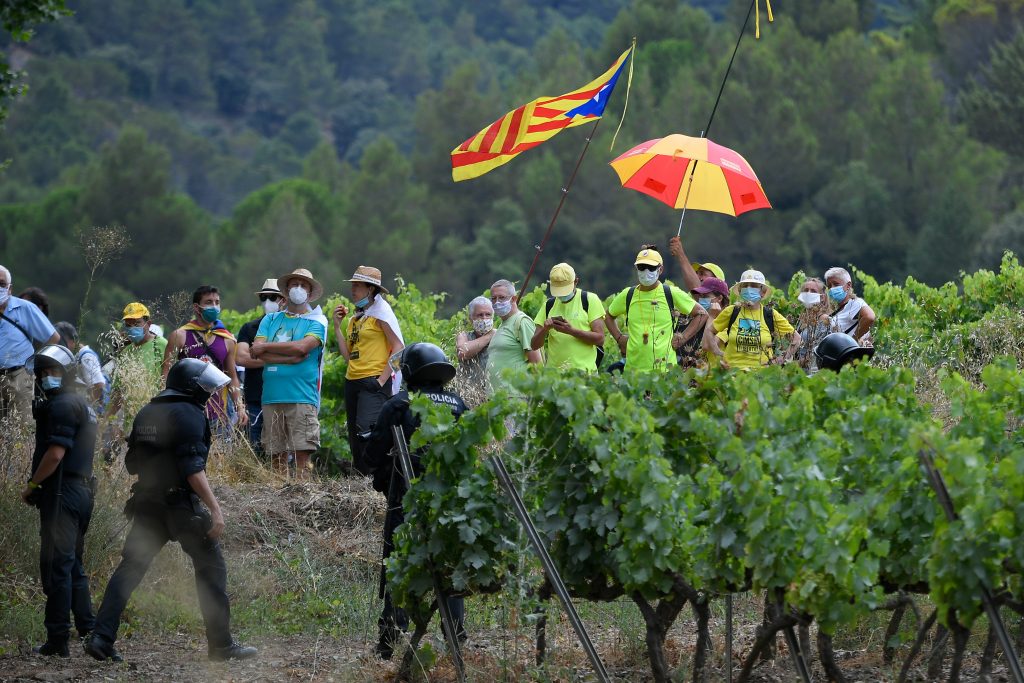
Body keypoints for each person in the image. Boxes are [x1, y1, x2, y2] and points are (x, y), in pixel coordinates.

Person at [84, 359, 257, 664]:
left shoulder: (147, 412)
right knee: (211, 569)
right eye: (204, 387)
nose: (208, 392)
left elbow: (132, 464)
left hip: (148, 505)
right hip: (180, 508)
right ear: (191, 386)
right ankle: (221, 646)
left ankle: (101, 638)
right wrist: (215, 510)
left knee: (130, 569)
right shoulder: (190, 414)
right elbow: (193, 469)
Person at [363, 343, 468, 660]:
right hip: (449, 499)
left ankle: (389, 640)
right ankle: (456, 638)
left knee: (400, 566)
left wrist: (380, 473)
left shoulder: (399, 405)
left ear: (408, 371)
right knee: (449, 567)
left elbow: (372, 454)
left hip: (406, 499)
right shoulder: (459, 404)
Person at [20, 345, 97, 657]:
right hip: (82, 491)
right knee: (73, 564)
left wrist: (33, 484)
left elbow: (55, 453)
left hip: (63, 493)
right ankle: (88, 628)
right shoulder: (83, 404)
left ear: (64, 373)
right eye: (41, 372)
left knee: (57, 566)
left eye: (50, 371)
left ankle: (58, 640)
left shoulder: (63, 405)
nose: (44, 377)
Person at [251, 268, 328, 478]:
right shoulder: (270, 320)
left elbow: (302, 348)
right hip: (271, 397)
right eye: (294, 285)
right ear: (286, 290)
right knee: (276, 457)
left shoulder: (317, 321)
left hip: (301, 397)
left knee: (303, 457)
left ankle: (304, 501)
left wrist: (268, 349)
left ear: (310, 294)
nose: (298, 289)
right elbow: (256, 350)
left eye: (303, 286)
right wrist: (291, 359)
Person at [333, 266, 405, 475]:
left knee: (368, 430)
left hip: (374, 381)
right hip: (353, 379)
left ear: (371, 289)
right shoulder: (357, 319)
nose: (352, 290)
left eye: (357, 285)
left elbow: (399, 348)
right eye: (353, 285)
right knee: (355, 434)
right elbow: (349, 356)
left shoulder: (382, 315)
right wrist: (337, 327)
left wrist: (382, 381)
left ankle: (376, 477)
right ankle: (360, 477)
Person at [604, 246, 705, 373]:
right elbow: (608, 316)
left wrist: (683, 338)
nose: (646, 271)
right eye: (641, 267)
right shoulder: (628, 294)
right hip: (633, 372)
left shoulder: (670, 292)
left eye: (651, 268)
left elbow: (701, 314)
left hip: (664, 371)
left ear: (660, 269)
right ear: (636, 269)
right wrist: (619, 337)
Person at [163, 286, 247, 433]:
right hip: (186, 411)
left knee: (220, 455)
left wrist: (239, 406)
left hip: (218, 412)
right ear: (197, 307)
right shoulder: (180, 336)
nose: (214, 306)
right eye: (208, 302)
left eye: (217, 302)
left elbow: (232, 377)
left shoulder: (227, 340)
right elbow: (165, 374)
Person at [0, 265, 59, 422]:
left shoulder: (25, 308)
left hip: (18, 375)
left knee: (22, 428)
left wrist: (36, 366)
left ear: (10, 288)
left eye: (2, 284)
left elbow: (53, 337)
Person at [235, 279, 285, 456]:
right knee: (254, 448)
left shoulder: (291, 326)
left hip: (283, 398)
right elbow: (241, 357)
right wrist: (277, 358)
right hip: (255, 398)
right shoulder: (249, 327)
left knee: (281, 451)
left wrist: (260, 354)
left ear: (283, 299)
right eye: (264, 297)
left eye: (272, 297)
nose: (267, 302)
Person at [711, 270, 796, 370]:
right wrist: (718, 353)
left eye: (753, 286)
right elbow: (709, 331)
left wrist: (781, 359)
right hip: (731, 374)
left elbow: (797, 339)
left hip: (761, 377)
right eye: (745, 285)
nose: (748, 289)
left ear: (763, 293)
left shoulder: (770, 315)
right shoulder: (731, 311)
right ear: (740, 290)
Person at [531, 263, 606, 372]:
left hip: (584, 374)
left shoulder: (589, 300)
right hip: (554, 375)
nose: (561, 295)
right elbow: (534, 345)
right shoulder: (548, 305)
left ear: (576, 281)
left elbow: (600, 339)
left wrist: (571, 331)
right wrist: (545, 330)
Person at [486, 279, 541, 393]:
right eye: (493, 299)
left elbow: (536, 363)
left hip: (515, 397)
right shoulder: (502, 324)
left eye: (502, 297)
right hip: (497, 398)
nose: (497, 302)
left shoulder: (522, 322)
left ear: (514, 299)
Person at [674, 277, 730, 369]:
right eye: (700, 296)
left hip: (715, 376)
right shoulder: (702, 320)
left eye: (705, 296)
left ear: (719, 298)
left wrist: (711, 316)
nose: (701, 300)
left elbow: (707, 346)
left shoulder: (727, 323)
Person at [782, 278, 836, 372]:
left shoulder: (824, 320)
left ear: (822, 297)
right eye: (806, 290)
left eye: (813, 291)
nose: (808, 293)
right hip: (798, 372)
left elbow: (819, 353)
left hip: (814, 373)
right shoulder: (802, 319)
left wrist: (792, 364)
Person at [54, 321, 107, 405]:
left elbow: (99, 385)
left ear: (72, 340)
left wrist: (90, 408)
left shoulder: (86, 357)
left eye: (61, 342)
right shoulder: (78, 357)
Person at [455, 296, 494, 398]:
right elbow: (463, 352)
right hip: (468, 397)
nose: (484, 318)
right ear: (471, 318)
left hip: (492, 397)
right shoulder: (464, 336)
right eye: (480, 315)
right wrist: (489, 336)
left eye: (488, 314)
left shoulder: (499, 337)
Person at [824, 267, 876, 343]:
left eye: (836, 284)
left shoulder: (855, 303)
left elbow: (870, 317)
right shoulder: (836, 307)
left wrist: (853, 341)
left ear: (848, 285)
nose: (832, 289)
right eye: (829, 286)